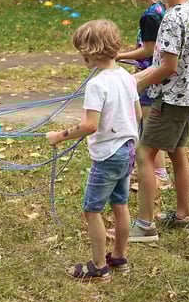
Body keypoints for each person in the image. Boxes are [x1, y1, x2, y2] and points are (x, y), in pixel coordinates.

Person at [47, 19, 140, 282]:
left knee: (93, 210)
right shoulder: (126, 77)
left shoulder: (97, 85)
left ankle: (99, 266)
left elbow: (89, 125)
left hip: (108, 156)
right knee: (120, 204)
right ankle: (119, 257)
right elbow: (138, 113)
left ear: (91, 50)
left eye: (81, 49)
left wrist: (59, 136)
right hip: (128, 149)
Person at [129, 0, 189, 242]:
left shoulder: (172, 18)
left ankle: (145, 225)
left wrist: (138, 80)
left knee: (145, 154)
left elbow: (168, 66)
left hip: (172, 98)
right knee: (177, 152)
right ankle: (185, 217)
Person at [115, 0, 171, 189]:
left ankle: (159, 174)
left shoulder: (150, 15)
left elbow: (148, 50)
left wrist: (118, 56)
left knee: (147, 126)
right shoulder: (162, 10)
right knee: (148, 125)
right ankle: (154, 170)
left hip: (148, 78)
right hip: (154, 75)